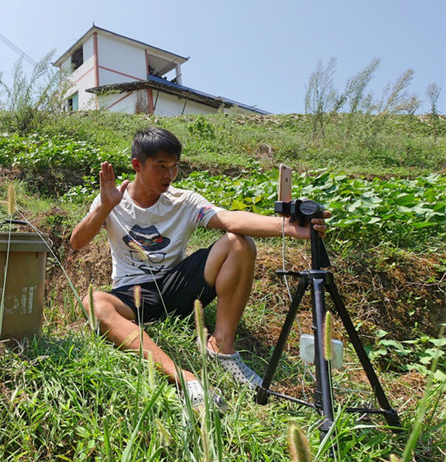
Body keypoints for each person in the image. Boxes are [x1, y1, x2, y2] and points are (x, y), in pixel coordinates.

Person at [70, 126, 329, 410]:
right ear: (137, 165)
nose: (169, 175)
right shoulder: (112, 200)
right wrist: (103, 208)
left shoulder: (184, 200)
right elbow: (77, 242)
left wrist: (287, 227)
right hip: (132, 296)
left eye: (174, 167)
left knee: (239, 243)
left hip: (179, 287)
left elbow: (230, 219)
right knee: (92, 303)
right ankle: (185, 379)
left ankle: (222, 347)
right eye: (160, 167)